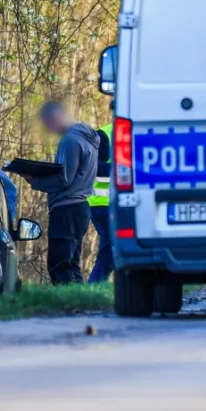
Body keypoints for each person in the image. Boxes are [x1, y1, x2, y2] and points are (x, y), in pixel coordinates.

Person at [25, 101, 100, 285]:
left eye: (48, 124)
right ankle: (78, 303)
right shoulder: (87, 137)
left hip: (67, 207)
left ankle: (67, 303)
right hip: (80, 207)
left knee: (59, 263)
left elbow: (65, 179)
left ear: (57, 116)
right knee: (71, 262)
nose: (50, 130)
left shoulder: (70, 140)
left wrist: (35, 181)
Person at [87, 112, 114, 283]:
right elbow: (94, 168)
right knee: (109, 252)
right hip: (103, 204)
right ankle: (94, 286)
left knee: (111, 252)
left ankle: (96, 286)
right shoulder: (105, 135)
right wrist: (125, 168)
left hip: (119, 205)